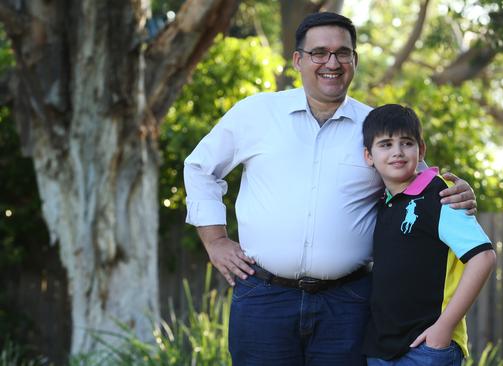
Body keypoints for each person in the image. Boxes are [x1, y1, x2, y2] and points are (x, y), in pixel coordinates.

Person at [184, 12, 477, 366]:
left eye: (342, 53)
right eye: (319, 52)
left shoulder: (375, 129)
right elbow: (200, 167)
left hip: (347, 303)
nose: (331, 63)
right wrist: (215, 240)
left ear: (354, 60)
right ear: (298, 60)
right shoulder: (257, 113)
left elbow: (419, 184)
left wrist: (459, 192)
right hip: (264, 298)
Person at [360, 104, 497, 366]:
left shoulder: (443, 196)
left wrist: (443, 329)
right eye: (386, 144)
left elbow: (484, 258)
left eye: (406, 143)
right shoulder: (384, 203)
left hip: (426, 348)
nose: (397, 152)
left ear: (421, 150)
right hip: (381, 348)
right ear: (369, 156)